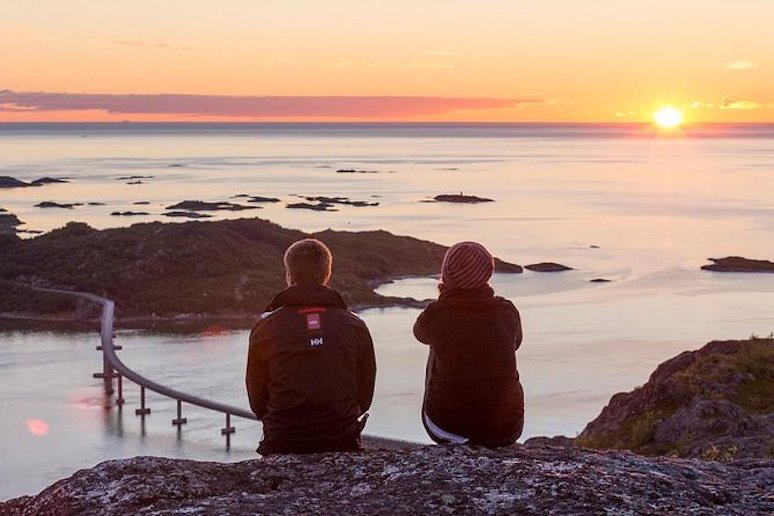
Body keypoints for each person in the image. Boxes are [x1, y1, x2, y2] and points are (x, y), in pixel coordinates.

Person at [246, 238, 376, 455]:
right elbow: (365, 396)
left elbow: (257, 401)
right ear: (327, 275)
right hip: (341, 439)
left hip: (283, 440)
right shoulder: (355, 326)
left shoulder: (265, 328)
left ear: (289, 276)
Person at [414, 241, 524, 447]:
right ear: (487, 274)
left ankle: (455, 420)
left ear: (447, 273)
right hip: (507, 429)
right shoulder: (506, 311)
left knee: (436, 347)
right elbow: (515, 344)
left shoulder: (436, 314)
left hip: (448, 427)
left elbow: (419, 334)